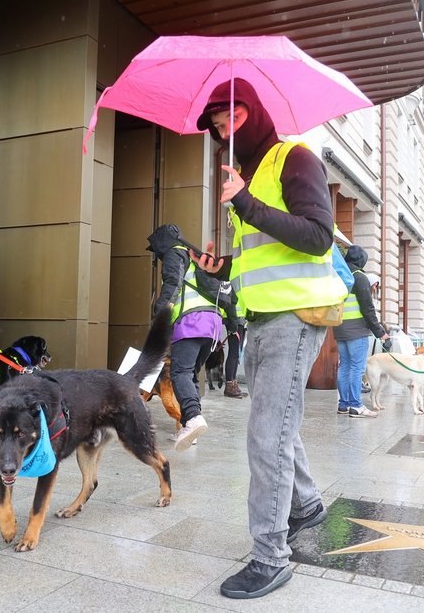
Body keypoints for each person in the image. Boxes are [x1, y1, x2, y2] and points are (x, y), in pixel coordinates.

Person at [190, 78, 349, 599]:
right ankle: (306, 503)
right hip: (259, 319)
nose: (224, 130)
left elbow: (318, 236)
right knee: (278, 426)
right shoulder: (249, 176)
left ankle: (270, 556)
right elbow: (263, 256)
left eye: (232, 118)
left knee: (267, 437)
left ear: (255, 112)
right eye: (218, 126)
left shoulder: (294, 158)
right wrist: (221, 267)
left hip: (294, 318)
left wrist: (248, 203)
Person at [147, 223, 223, 451]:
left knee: (179, 373)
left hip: (191, 322)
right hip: (211, 325)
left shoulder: (174, 253)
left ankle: (192, 419)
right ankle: (189, 427)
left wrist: (160, 314)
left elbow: (173, 283)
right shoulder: (192, 255)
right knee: (189, 376)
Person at [334, 245, 391, 417]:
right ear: (361, 261)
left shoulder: (339, 276)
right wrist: (380, 332)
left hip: (340, 328)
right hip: (357, 330)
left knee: (344, 366)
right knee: (357, 368)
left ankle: (343, 405)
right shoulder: (359, 277)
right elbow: (368, 309)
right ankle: (356, 405)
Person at [221, 281, 248, 399]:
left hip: (240, 318)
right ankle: (229, 386)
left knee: (236, 353)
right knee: (233, 352)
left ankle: (233, 383)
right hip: (233, 318)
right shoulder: (233, 278)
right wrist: (233, 322)